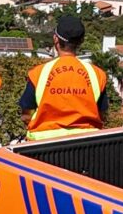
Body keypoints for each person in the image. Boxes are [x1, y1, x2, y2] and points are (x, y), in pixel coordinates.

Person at [19, 14, 110, 142]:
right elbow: (102, 114)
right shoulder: (97, 74)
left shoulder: (39, 73)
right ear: (81, 41)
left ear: (55, 39)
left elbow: (26, 115)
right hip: (88, 145)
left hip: (43, 146)